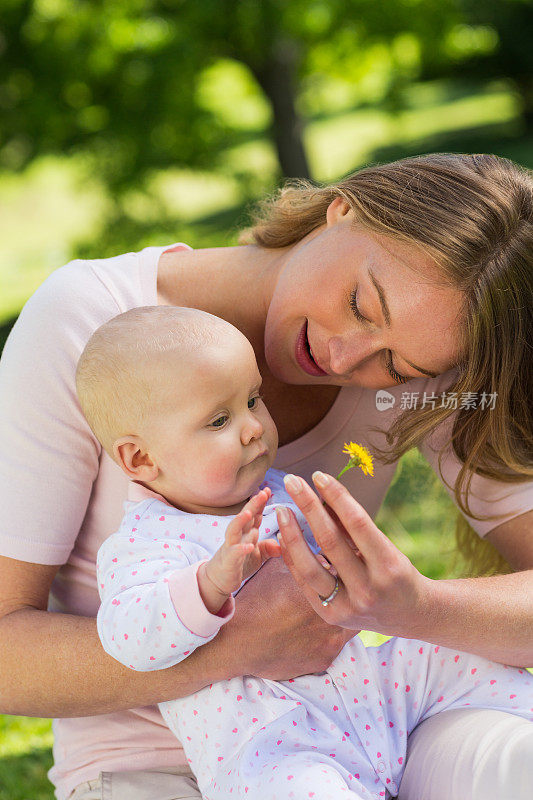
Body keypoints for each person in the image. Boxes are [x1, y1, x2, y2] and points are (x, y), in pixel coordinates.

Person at [0, 152, 531, 800]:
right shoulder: (91, 323)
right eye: (360, 303)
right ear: (341, 210)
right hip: (148, 764)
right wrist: (236, 648)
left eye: (394, 363)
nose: (343, 355)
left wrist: (418, 608)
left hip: (371, 722)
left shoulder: (430, 361)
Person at [81, 306, 532, 800]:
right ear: (141, 459)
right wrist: (209, 584)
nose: (253, 427)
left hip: (375, 690)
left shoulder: (281, 492)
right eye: (219, 419)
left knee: (463, 660)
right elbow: (127, 637)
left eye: (252, 400)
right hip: (278, 736)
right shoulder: (145, 543)